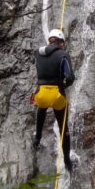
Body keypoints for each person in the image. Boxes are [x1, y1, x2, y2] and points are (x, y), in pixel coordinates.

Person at [32, 28, 75, 172]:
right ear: (61, 42)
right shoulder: (63, 55)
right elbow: (69, 77)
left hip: (41, 93)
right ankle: (68, 162)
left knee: (41, 109)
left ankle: (37, 139)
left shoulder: (38, 52)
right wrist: (64, 85)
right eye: (63, 43)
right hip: (57, 94)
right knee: (63, 128)